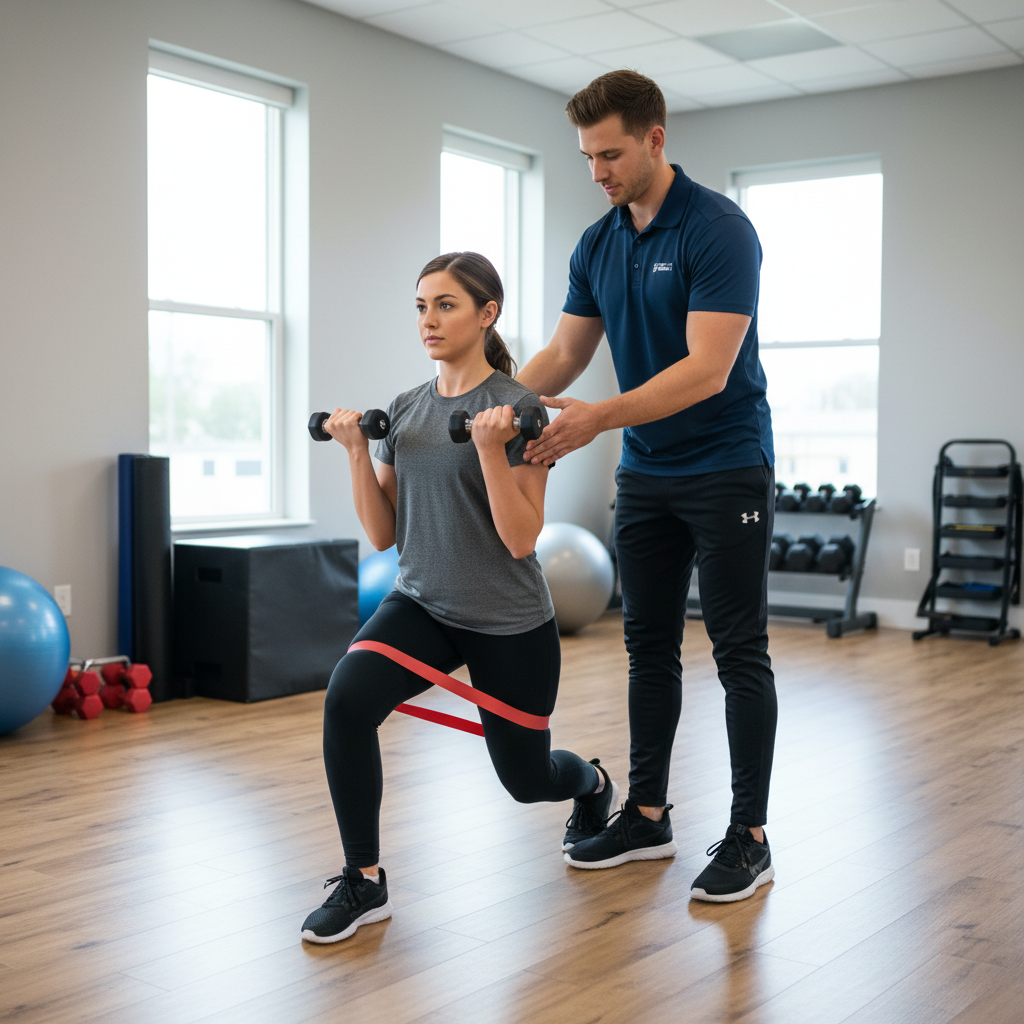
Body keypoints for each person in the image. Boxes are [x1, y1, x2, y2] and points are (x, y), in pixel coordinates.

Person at [300, 251, 619, 944]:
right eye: (421, 305)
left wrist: (486, 448)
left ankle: (591, 786)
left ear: (486, 314)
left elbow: (520, 539)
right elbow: (385, 535)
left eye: (446, 304)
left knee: (527, 779)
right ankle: (365, 878)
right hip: (423, 604)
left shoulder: (520, 410)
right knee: (348, 700)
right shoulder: (410, 410)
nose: (429, 319)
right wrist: (357, 452)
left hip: (507, 620)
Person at [516, 70, 777, 903]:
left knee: (738, 653)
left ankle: (749, 835)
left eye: (612, 154)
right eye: (588, 157)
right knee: (647, 647)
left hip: (726, 463)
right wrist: (487, 407)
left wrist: (597, 420)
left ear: (656, 140)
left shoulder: (719, 231)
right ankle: (649, 812)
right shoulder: (598, 243)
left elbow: (707, 369)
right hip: (650, 475)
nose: (598, 171)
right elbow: (563, 359)